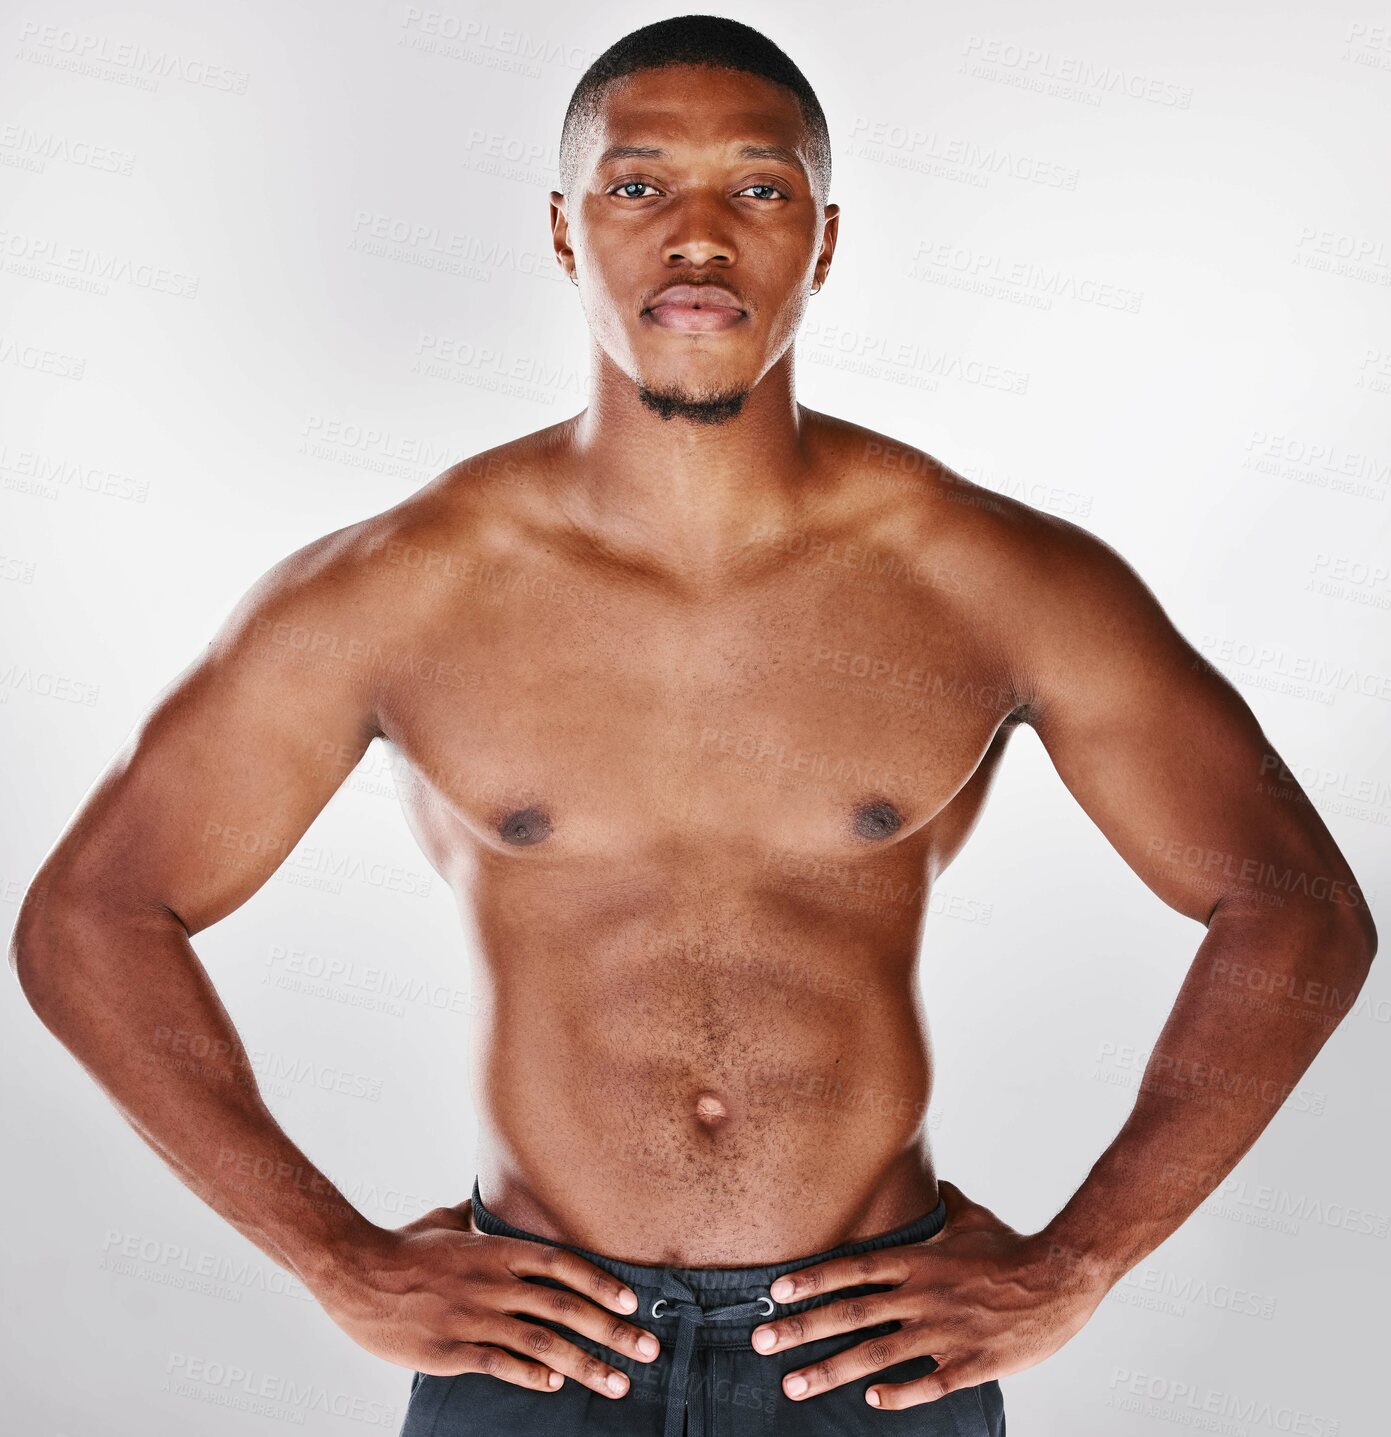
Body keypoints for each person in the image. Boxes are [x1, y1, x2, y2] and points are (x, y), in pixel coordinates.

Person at [11, 14, 1376, 1437]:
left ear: (825, 240)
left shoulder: (995, 580)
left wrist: (1078, 1265)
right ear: (564, 228)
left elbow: (1295, 909)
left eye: (760, 188)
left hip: (871, 1354)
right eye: (639, 183)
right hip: (535, 1355)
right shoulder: (398, 591)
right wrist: (336, 1258)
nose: (700, 236)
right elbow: (94, 913)